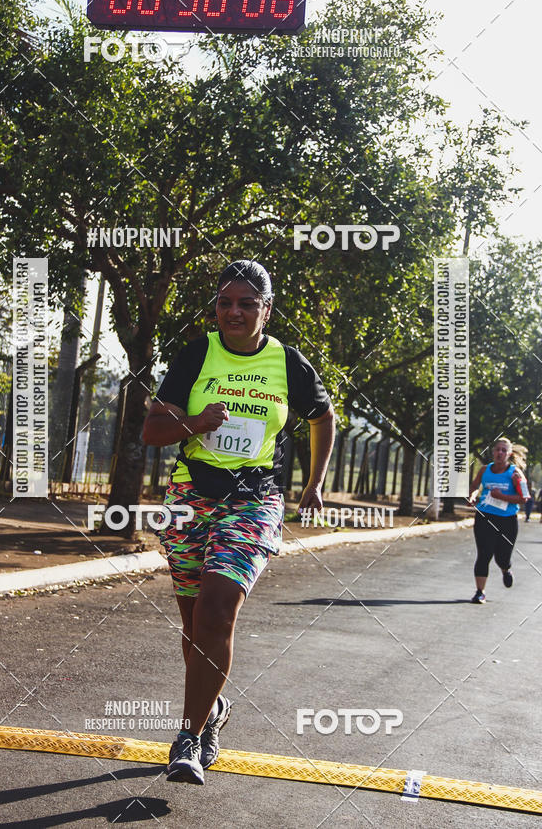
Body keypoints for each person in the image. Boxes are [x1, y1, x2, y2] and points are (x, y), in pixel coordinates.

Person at [142, 260, 336, 785]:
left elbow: (323, 417)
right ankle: (212, 709)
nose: (234, 312)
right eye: (225, 302)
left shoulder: (287, 362)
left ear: (265, 310)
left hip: (254, 499)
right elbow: (152, 431)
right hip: (189, 499)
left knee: (217, 608)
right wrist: (195, 422)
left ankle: (187, 738)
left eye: (247, 303)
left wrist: (314, 483)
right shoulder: (197, 354)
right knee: (193, 627)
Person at [467, 437, 530, 603]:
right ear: (493, 452)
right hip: (485, 517)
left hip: (507, 520)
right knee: (484, 554)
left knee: (502, 557)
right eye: (497, 449)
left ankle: (505, 568)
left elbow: (524, 498)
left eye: (504, 450)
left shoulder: (515, 474)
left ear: (509, 454)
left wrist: (501, 496)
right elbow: (474, 486)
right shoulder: (484, 470)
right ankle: (480, 592)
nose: (500, 453)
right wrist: (472, 496)